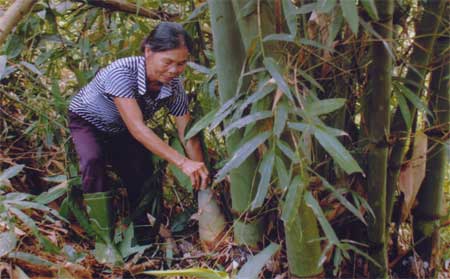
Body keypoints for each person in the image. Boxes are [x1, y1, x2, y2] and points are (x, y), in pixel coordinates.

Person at [68, 22, 209, 265]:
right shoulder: (122, 72)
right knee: (93, 161)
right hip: (88, 121)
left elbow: (187, 131)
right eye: (168, 62)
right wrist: (182, 162)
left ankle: (143, 234)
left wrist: (200, 169)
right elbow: (138, 128)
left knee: (142, 171)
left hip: (120, 129)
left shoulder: (174, 85)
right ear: (148, 52)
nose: (175, 70)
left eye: (182, 63)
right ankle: (105, 240)